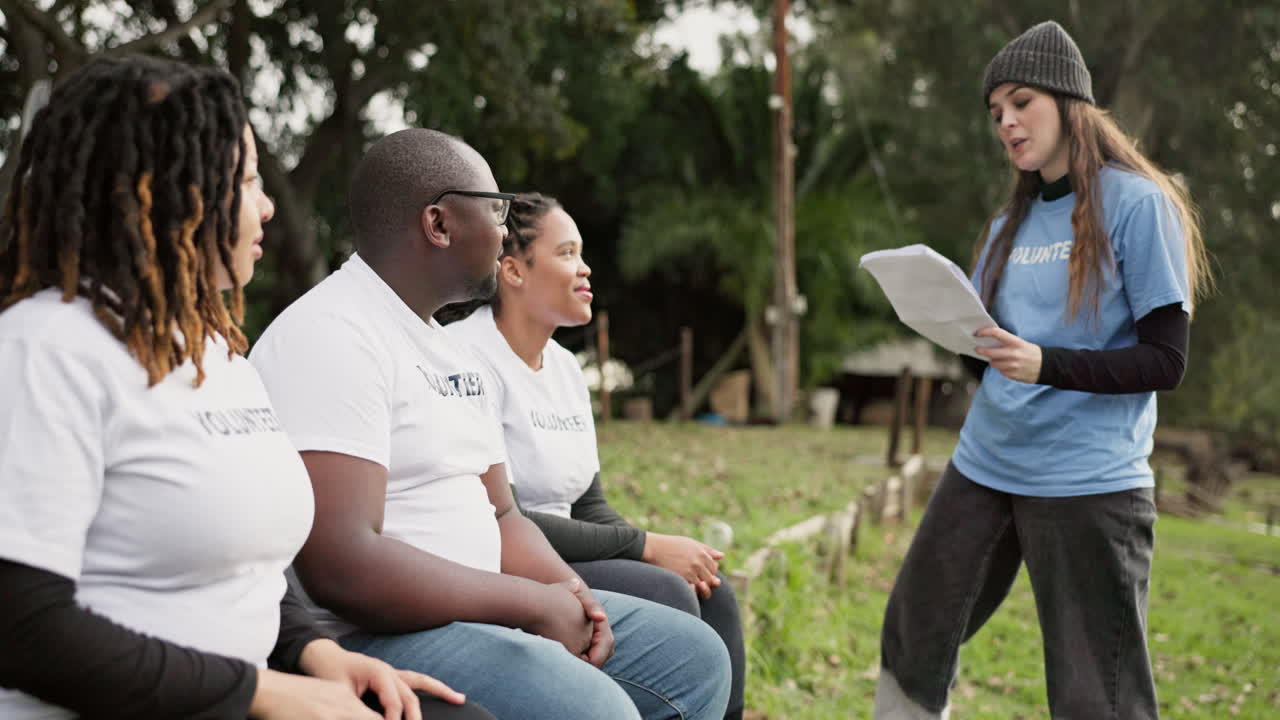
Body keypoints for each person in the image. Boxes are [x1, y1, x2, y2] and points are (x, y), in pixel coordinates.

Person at [0, 55, 492, 720]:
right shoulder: (44, 351)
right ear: (162, 190)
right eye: (247, 180)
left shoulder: (212, 349)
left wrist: (318, 655)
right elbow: (25, 629)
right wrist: (268, 694)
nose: (265, 206)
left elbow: (254, 562)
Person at [248, 128, 732, 720]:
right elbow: (342, 565)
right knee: (596, 710)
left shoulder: (446, 347)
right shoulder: (332, 334)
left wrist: (573, 598)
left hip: (484, 609)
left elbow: (502, 513)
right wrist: (529, 605)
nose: (505, 229)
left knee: (696, 657)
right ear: (439, 224)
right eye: (496, 208)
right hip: (375, 634)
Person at [874, 21, 1211, 720]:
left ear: (1068, 102)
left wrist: (1045, 363)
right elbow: (993, 352)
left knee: (1099, 692)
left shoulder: (1136, 205)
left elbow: (1166, 360)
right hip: (986, 464)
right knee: (915, 631)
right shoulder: (1008, 226)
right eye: (996, 112)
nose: (1007, 122)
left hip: (1089, 481)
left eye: (1021, 102)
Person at [442, 192, 747, 720]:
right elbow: (504, 516)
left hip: (569, 554)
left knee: (709, 592)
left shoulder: (564, 370)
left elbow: (587, 506)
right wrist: (646, 546)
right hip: (504, 562)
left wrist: (656, 549)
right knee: (665, 592)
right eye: (566, 254)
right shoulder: (465, 358)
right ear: (513, 270)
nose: (584, 269)